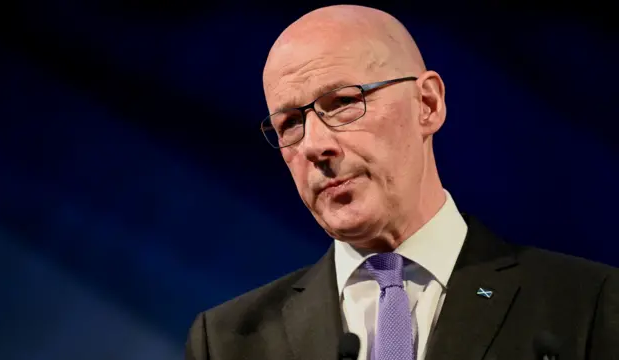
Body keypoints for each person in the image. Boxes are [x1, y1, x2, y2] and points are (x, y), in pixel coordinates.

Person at [185, 5, 619, 360]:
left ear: (427, 105)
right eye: (290, 124)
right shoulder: (228, 342)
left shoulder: (589, 305)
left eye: (342, 103)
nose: (316, 145)